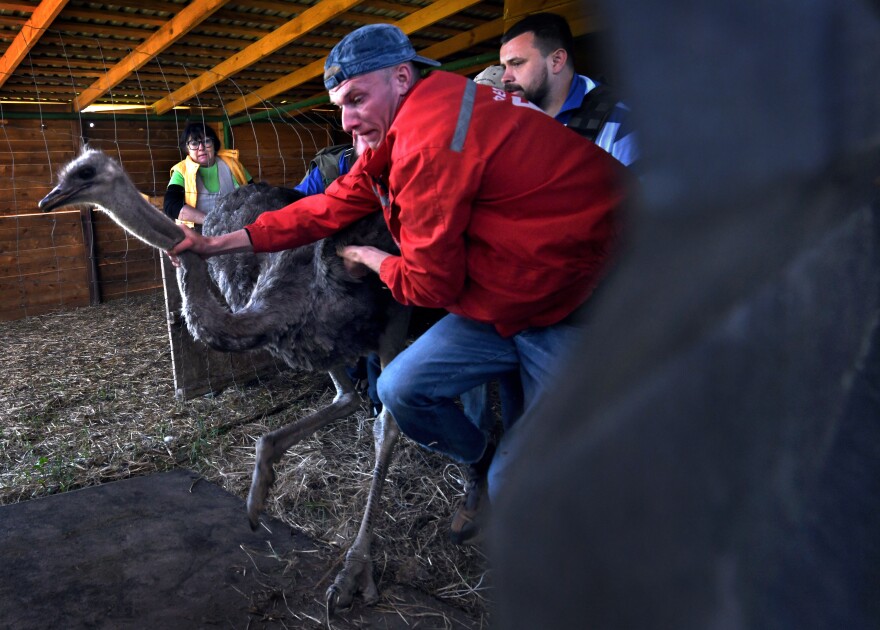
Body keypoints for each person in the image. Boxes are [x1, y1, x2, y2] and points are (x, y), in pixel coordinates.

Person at [169, 23, 628, 544]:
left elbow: (428, 287)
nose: (346, 121)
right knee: (400, 388)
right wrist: (215, 244)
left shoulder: (431, 141)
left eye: (357, 98)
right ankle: (478, 460)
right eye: (340, 105)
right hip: (510, 297)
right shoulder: (401, 134)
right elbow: (324, 206)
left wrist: (369, 256)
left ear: (403, 78)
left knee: (519, 482)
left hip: (578, 302)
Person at [500, 12, 638, 167]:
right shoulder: (514, 122)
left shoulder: (619, 119)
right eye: (504, 67)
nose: (505, 77)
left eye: (517, 63)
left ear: (556, 61)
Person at [164, 122, 253, 227]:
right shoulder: (181, 171)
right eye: (194, 143)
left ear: (214, 144)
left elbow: (255, 193)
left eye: (206, 141)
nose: (201, 147)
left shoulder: (232, 164)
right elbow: (171, 206)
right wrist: (211, 221)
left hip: (235, 227)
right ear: (186, 148)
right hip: (198, 232)